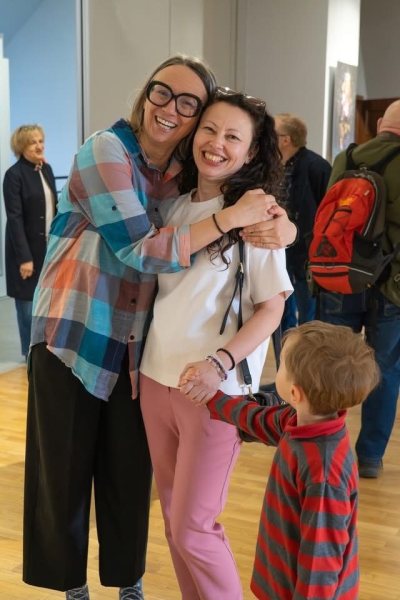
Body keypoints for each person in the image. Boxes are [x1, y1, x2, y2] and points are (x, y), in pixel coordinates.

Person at [23, 55, 297, 600]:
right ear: (146, 94)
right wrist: (236, 218)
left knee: (130, 475)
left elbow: (261, 272)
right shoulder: (105, 150)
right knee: (63, 472)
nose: (171, 108)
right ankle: (71, 586)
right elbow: (140, 249)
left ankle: (128, 583)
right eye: (162, 92)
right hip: (76, 334)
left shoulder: (177, 179)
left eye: (189, 103)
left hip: (137, 349)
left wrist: (281, 226)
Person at [139, 87, 293, 600]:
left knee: (194, 530)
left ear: (250, 152)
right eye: (209, 129)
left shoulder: (258, 218)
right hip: (155, 381)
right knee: (173, 523)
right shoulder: (173, 208)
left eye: (232, 137)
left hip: (215, 392)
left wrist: (218, 363)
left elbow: (272, 308)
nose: (216, 143)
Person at [202, 321, 379, 600]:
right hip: (283, 580)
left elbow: (321, 564)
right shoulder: (301, 421)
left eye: (282, 364)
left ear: (295, 393)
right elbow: (260, 420)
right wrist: (214, 399)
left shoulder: (324, 472)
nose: (278, 368)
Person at [317, 99, 400, 479]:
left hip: (342, 277)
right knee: (385, 369)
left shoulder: (347, 157)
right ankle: (369, 457)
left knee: (331, 363)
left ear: (381, 123)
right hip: (392, 287)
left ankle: (324, 444)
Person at [3, 124, 57, 359]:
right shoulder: (13, 175)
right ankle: (29, 354)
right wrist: (24, 258)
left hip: (48, 249)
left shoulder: (46, 169)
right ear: (21, 147)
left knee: (47, 302)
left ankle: (45, 351)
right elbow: (14, 219)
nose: (39, 146)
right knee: (26, 305)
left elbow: (54, 208)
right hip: (25, 252)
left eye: (41, 141)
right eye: (33, 142)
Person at [274, 113, 331, 331]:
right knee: (280, 307)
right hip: (280, 249)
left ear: (285, 139)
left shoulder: (317, 166)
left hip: (306, 252)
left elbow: (328, 211)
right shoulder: (275, 166)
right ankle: (285, 349)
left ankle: (306, 350)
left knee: (307, 310)